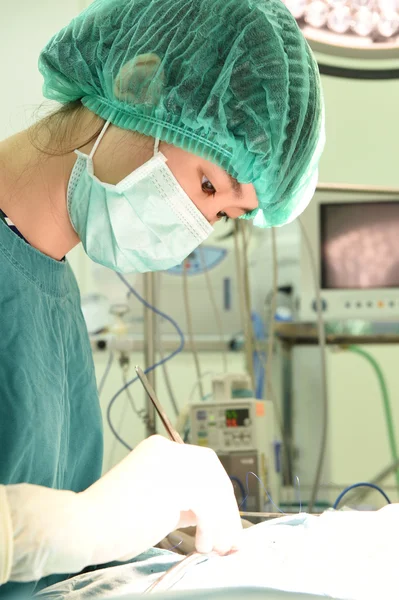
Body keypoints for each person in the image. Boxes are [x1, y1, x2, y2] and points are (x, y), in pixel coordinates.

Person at [0, 0, 324, 596]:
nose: (194, 230)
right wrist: (79, 526)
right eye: (207, 185)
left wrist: (131, 538)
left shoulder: (50, 287)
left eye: (222, 216)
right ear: (140, 80)